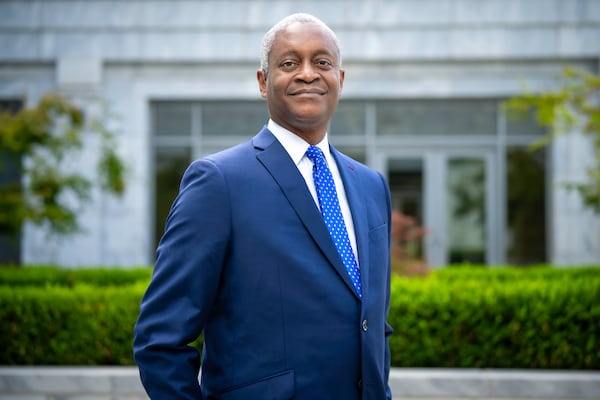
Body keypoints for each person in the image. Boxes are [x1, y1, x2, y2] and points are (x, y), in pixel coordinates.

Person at [133, 12, 393, 400]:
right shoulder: (218, 183)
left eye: (322, 62)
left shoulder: (371, 186)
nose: (308, 73)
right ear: (262, 81)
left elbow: (373, 323)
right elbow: (160, 340)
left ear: (340, 79)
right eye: (289, 63)